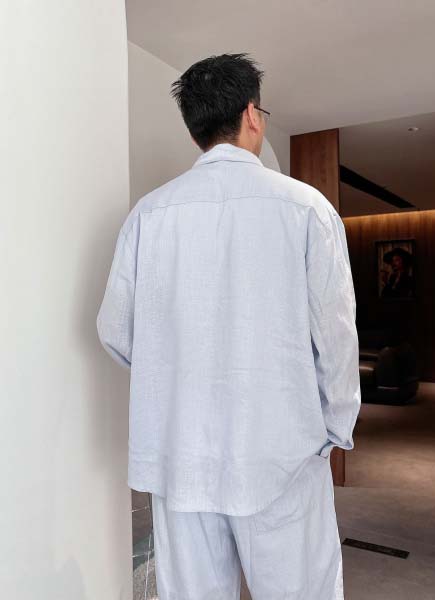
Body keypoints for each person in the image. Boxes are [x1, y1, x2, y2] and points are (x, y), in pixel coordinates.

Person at [96, 53, 361, 600]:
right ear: (252, 115)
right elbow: (336, 336)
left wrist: (167, 371)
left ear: (195, 130)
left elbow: (115, 330)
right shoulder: (305, 208)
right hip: (283, 453)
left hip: (180, 455)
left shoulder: (149, 214)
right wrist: (335, 429)